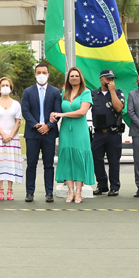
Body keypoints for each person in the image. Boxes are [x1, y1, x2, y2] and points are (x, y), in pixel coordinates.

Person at [51, 67, 95, 203]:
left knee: (79, 158)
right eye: (71, 76)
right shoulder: (64, 92)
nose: (74, 78)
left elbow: (82, 111)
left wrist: (62, 114)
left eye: (76, 75)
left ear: (80, 77)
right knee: (67, 158)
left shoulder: (86, 92)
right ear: (68, 78)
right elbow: (57, 109)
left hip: (80, 130)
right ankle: (70, 191)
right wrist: (53, 115)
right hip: (65, 129)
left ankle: (78, 192)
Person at [21, 63, 63, 203]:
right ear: (35, 74)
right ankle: (30, 193)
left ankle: (49, 193)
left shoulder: (55, 92)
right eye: (38, 72)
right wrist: (36, 125)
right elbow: (25, 111)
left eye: (44, 72)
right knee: (31, 164)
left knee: (49, 164)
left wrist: (49, 126)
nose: (41, 75)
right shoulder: (28, 92)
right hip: (32, 134)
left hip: (49, 134)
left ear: (48, 74)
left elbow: (58, 111)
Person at [90, 69, 124, 197]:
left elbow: (119, 108)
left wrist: (112, 92)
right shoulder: (93, 94)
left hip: (113, 133)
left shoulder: (118, 93)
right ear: (101, 80)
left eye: (112, 79)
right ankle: (102, 184)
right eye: (108, 78)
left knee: (113, 161)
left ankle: (114, 186)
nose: (111, 81)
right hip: (98, 133)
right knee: (97, 159)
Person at [0, 77, 23, 200]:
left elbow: (18, 121)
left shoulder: (16, 104)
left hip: (12, 138)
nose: (5, 87)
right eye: (3, 85)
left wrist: (10, 135)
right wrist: (3, 134)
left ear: (11, 88)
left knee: (10, 162)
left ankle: (10, 190)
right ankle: (0, 190)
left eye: (7, 85)